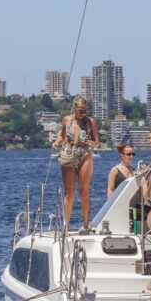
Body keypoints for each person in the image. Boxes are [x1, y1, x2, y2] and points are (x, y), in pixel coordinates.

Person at [52, 96, 100, 234]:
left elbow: (96, 142)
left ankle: (86, 224)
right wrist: (56, 143)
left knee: (84, 191)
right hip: (68, 154)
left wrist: (88, 143)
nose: (82, 113)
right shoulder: (67, 120)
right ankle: (66, 226)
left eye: (85, 110)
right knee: (69, 193)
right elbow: (62, 136)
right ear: (74, 108)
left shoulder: (91, 122)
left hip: (84, 155)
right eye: (80, 110)